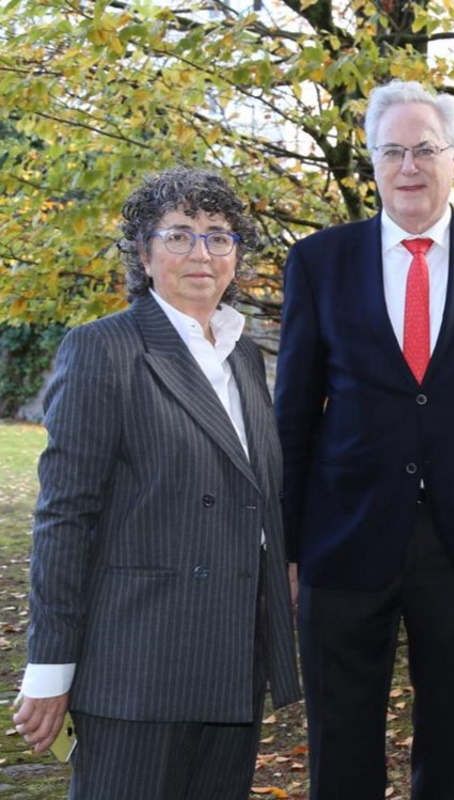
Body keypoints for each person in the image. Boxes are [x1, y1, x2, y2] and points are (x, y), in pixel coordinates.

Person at [274, 80, 454, 800]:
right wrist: (291, 542)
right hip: (344, 535)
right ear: (372, 162)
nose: (409, 167)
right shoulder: (320, 261)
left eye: (424, 148)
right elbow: (293, 414)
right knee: (340, 748)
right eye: (391, 150)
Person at [13, 167, 301, 799]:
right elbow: (66, 515)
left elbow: (256, 494)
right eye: (179, 235)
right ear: (143, 255)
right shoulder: (103, 348)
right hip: (139, 660)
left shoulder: (244, 356)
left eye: (219, 236)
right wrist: (51, 665)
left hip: (232, 653)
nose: (201, 252)